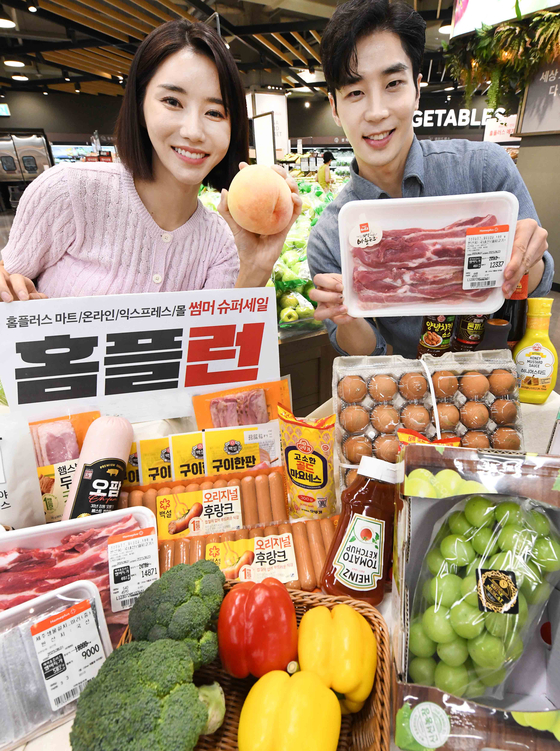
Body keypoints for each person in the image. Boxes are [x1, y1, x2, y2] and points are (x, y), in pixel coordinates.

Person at [307, 0, 552, 359]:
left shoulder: (483, 170)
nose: (376, 112)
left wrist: (530, 257)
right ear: (335, 106)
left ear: (417, 90)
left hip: (497, 380)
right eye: (355, 92)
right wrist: (344, 316)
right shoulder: (331, 234)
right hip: (417, 389)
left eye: (393, 83)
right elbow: (369, 351)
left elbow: (537, 291)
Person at [0, 20, 300, 303]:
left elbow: (213, 350)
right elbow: (12, 283)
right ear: (140, 104)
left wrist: (256, 265)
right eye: (172, 102)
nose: (193, 132)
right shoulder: (70, 192)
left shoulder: (219, 243)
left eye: (215, 112)